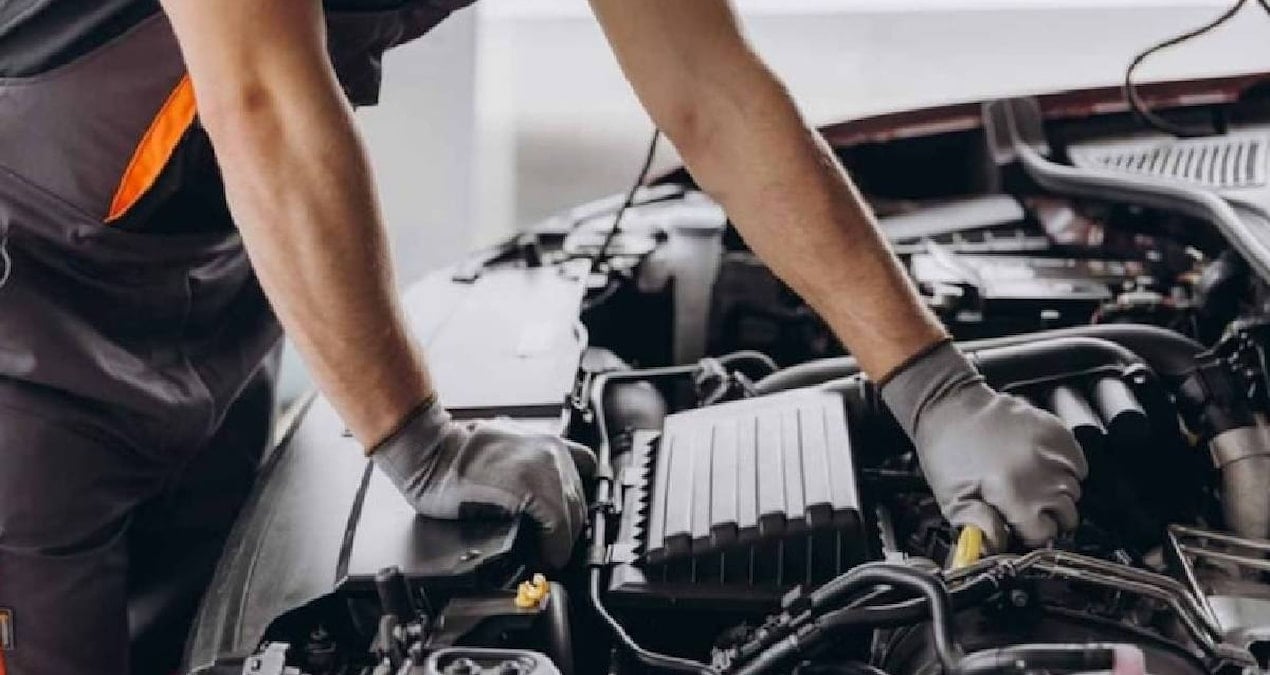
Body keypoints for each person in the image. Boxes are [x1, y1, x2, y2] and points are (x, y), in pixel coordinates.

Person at [0, 1, 1087, 673]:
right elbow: (265, 103)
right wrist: (416, 438)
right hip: (27, 310)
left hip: (207, 261)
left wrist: (932, 383)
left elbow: (706, 84)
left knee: (191, 626)